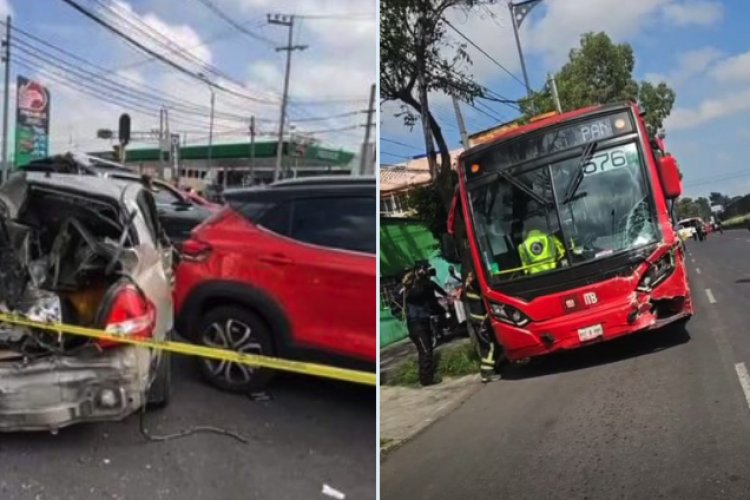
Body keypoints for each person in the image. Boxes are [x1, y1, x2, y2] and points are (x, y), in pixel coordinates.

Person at [402, 266, 446, 386]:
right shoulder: (412, 290)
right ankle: (426, 379)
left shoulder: (419, 288)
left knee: (427, 349)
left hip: (421, 322)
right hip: (417, 324)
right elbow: (425, 294)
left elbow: (432, 299)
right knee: (426, 351)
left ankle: (426, 377)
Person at [463, 271, 501, 383]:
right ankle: (488, 373)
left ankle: (487, 371)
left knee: (485, 346)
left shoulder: (467, 286)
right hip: (480, 320)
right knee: (490, 346)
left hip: (477, 320)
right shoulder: (475, 285)